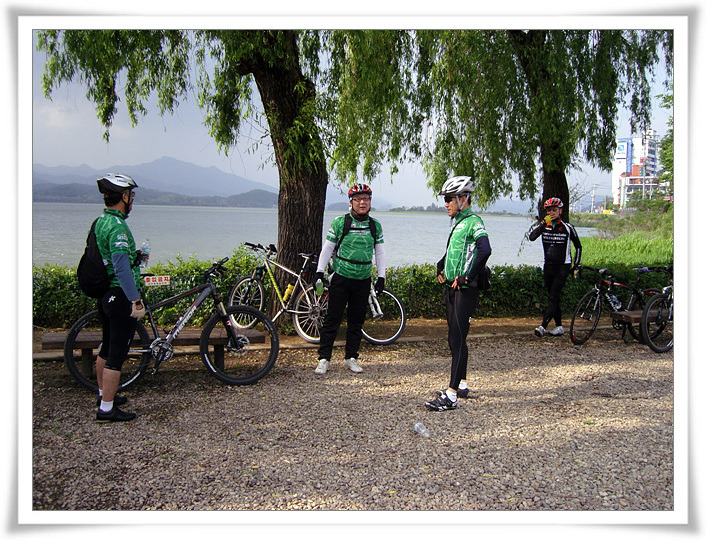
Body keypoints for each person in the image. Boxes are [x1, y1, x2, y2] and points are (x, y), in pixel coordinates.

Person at [425, 176, 491, 412]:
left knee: (457, 339)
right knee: (456, 338)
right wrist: (441, 265)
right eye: (445, 200)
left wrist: (469, 277)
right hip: (452, 288)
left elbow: (485, 250)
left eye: (449, 199)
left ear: (463, 199)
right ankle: (461, 385)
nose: (446, 204)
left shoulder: (473, 222)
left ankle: (451, 396)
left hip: (465, 290)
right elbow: (455, 251)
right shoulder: (458, 223)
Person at [313, 184, 386, 374]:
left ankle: (351, 357)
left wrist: (381, 276)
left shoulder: (375, 225)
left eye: (366, 199)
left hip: (363, 279)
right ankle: (324, 358)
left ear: (370, 202)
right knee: (332, 319)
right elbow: (328, 248)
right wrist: (319, 272)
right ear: (351, 202)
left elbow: (380, 252)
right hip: (341, 277)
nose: (362, 202)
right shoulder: (340, 222)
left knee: (356, 322)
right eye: (358, 199)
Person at [93, 173, 146, 422]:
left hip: (106, 295)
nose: (132, 200)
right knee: (116, 355)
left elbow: (108, 257)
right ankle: (106, 409)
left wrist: (133, 257)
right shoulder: (118, 227)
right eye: (131, 195)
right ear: (123, 197)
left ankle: (104, 395)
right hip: (121, 295)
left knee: (105, 349)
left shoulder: (101, 222)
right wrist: (135, 300)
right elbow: (121, 268)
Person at [529, 197, 582, 337]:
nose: (551, 212)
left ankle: (542, 326)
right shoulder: (544, 226)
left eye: (554, 210)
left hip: (563, 266)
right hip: (548, 266)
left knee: (553, 296)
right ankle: (559, 326)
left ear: (560, 211)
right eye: (549, 210)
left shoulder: (567, 227)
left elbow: (578, 246)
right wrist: (542, 224)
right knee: (554, 297)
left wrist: (576, 265)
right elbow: (532, 237)